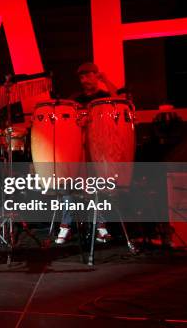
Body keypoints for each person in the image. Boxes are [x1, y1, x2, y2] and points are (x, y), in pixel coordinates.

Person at [55, 62, 119, 245]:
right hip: (77, 151)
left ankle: (101, 227)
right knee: (67, 185)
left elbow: (120, 100)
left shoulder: (105, 97)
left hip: (98, 151)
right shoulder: (75, 100)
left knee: (98, 186)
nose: (84, 80)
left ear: (96, 76)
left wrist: (105, 80)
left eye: (88, 76)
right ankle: (65, 227)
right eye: (82, 77)